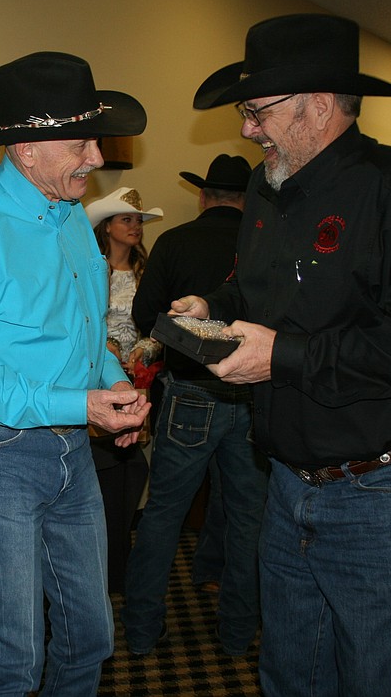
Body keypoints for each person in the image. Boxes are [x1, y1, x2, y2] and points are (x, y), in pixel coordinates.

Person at [173, 13, 391, 696]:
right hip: (287, 479)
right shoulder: (264, 190)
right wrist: (212, 310)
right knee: (291, 673)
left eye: (257, 111)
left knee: (374, 677)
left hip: (385, 488)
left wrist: (286, 358)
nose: (248, 129)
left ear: (319, 101)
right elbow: (255, 289)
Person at [0, 51, 152, 696]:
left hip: (74, 447)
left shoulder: (73, 215)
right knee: (16, 653)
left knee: (90, 636)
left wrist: (113, 389)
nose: (97, 158)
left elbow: (83, 330)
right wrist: (82, 404)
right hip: (0, 454)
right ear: (26, 147)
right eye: (80, 143)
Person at [121, 153, 270, 657]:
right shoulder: (262, 246)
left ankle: (141, 632)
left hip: (190, 394)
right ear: (245, 200)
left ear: (202, 196)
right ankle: (235, 634)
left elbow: (147, 317)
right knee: (249, 519)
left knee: (163, 516)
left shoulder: (175, 242)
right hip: (252, 397)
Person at [85, 186, 163, 374]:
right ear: (108, 226)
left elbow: (159, 325)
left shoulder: (147, 274)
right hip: (95, 367)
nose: (136, 226)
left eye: (139, 221)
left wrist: (144, 350)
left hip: (133, 372)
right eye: (127, 220)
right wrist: (106, 346)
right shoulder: (90, 272)